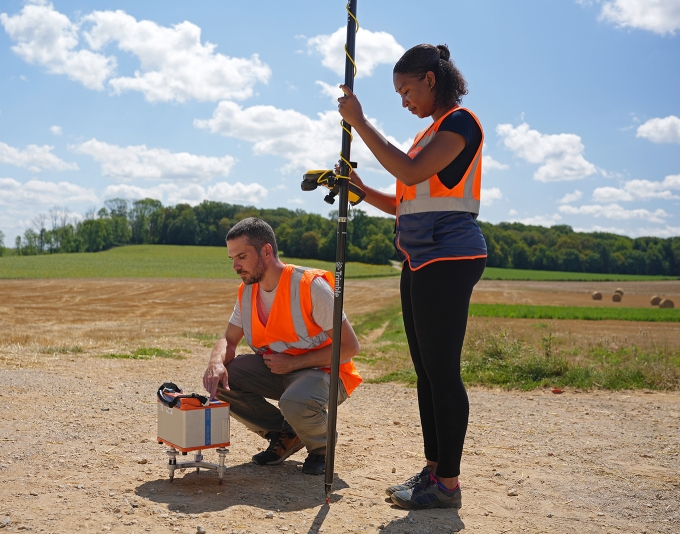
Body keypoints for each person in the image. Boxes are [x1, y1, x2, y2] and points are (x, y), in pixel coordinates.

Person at [337, 43, 487, 509]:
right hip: (420, 257)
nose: (404, 101)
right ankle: (434, 470)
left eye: (406, 90)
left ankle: (449, 484)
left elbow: (409, 168)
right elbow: (406, 199)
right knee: (426, 372)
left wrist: (359, 122)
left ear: (430, 78)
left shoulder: (460, 124)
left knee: (442, 372)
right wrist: (361, 189)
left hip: (450, 256)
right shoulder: (428, 135)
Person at [202, 217, 362, 476]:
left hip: (328, 373)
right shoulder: (247, 291)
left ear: (266, 251)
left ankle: (321, 447)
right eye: (232, 258)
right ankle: (287, 434)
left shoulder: (310, 286)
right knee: (221, 380)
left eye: (241, 256)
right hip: (280, 371)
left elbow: (350, 347)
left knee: (295, 402)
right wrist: (215, 363)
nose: (235, 265)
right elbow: (229, 340)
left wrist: (295, 363)